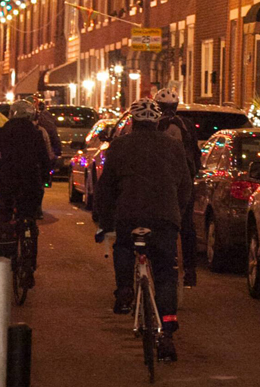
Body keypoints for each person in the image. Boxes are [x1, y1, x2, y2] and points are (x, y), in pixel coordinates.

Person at [95, 98, 193, 363]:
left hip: (130, 214)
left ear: (133, 122)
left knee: (124, 246)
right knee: (165, 274)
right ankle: (167, 332)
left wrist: (105, 220)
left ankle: (124, 289)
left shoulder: (119, 146)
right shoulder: (173, 146)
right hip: (164, 218)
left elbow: (106, 187)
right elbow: (185, 185)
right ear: (157, 122)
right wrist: (177, 214)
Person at [0, 100, 51, 286]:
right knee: (30, 219)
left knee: (5, 210)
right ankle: (30, 262)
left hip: (8, 181)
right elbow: (45, 159)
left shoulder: (4, 131)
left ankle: (4, 249)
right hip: (30, 183)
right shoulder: (36, 133)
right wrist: (46, 177)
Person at [153, 88, 202, 288]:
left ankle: (163, 259)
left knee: (160, 221)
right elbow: (196, 155)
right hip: (184, 180)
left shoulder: (154, 125)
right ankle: (190, 270)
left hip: (161, 181)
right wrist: (192, 173)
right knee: (186, 224)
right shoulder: (186, 125)